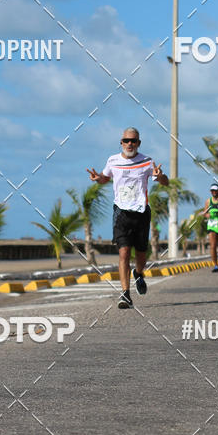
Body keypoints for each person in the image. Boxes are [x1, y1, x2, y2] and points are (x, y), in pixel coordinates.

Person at [87, 127, 168, 309]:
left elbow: (165, 182)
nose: (129, 144)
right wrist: (97, 178)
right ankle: (125, 294)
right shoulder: (112, 160)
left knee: (141, 253)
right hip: (121, 212)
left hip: (141, 213)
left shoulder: (147, 162)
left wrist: (161, 177)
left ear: (139, 143)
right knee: (123, 252)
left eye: (133, 141)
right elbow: (105, 178)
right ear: (121, 142)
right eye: (126, 140)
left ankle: (138, 273)